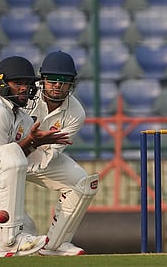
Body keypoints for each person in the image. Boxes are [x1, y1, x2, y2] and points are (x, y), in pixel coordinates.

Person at [0, 56, 71, 257]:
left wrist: (33, 142)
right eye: (17, 83)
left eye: (28, 84)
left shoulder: (21, 117)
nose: (24, 88)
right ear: (1, 85)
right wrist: (29, 141)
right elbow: (3, 160)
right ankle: (7, 239)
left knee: (26, 228)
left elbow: (13, 158)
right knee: (12, 231)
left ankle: (1, 242)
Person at [24, 51, 98, 256]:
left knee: (82, 183)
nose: (58, 85)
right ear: (43, 80)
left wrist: (34, 145)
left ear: (72, 84)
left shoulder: (76, 112)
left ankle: (55, 244)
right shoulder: (26, 97)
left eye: (64, 81)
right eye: (53, 80)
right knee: (24, 227)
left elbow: (50, 154)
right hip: (8, 158)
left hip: (42, 158)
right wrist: (29, 144)